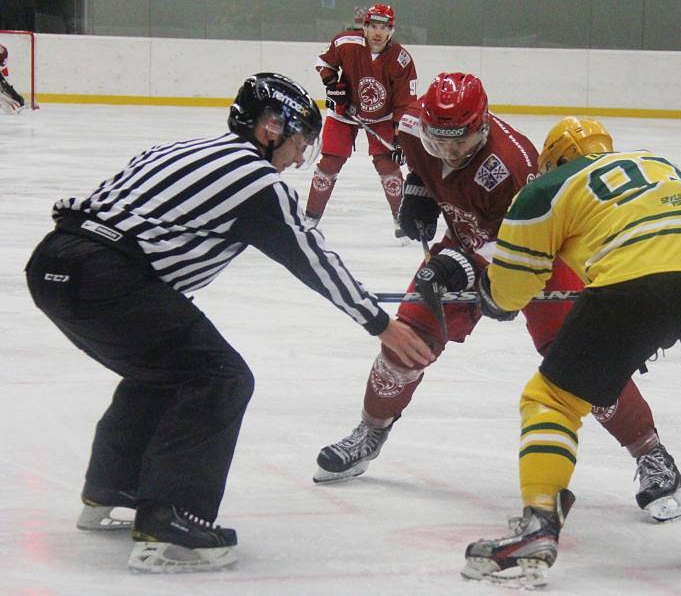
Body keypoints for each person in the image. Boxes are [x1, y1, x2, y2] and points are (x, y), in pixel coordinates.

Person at [25, 72, 433, 573]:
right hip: (110, 277)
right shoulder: (257, 181)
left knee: (164, 368)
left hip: (53, 262)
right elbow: (312, 258)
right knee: (219, 377)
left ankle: (114, 487)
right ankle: (170, 523)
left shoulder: (177, 150)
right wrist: (380, 324)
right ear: (270, 127)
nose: (302, 157)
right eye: (301, 141)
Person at [313, 75, 681, 523]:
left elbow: (525, 239)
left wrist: (468, 263)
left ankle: (652, 456)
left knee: (583, 361)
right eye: (441, 141)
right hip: (463, 243)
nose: (450, 153)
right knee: (405, 339)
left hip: (538, 258)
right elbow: (420, 163)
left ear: (483, 123)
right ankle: (370, 432)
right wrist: (419, 194)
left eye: (461, 143)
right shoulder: (414, 125)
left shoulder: (512, 163)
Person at [461, 116, 681, 587]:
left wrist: (491, 297)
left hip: (633, 282)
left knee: (552, 399)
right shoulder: (661, 165)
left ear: (552, 160)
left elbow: (513, 288)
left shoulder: (545, 188)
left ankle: (539, 523)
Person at [305, 3, 417, 239]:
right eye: (373, 26)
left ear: (391, 31)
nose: (378, 32)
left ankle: (401, 219)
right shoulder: (345, 43)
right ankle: (310, 217)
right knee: (330, 162)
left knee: (388, 164)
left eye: (384, 27)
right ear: (364, 27)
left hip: (382, 117)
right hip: (344, 113)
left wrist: (400, 138)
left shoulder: (401, 60)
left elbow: (405, 103)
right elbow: (324, 63)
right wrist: (333, 86)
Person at [0, 43, 26, 113]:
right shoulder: (3, 50)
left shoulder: (2, 51)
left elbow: (2, 64)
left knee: (4, 89)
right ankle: (17, 102)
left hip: (2, 70)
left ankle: (17, 103)